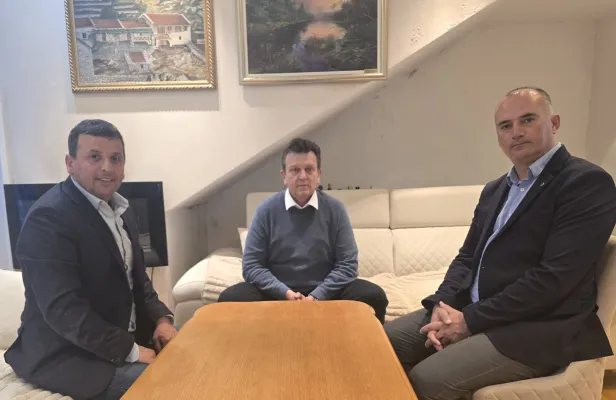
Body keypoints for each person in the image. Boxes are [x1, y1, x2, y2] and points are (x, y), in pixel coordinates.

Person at [384, 87, 616, 400]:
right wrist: (443, 304)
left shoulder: (585, 183)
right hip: (475, 309)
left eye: (527, 120)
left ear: (554, 123)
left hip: (537, 327)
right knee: (380, 344)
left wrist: (469, 321)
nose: (516, 132)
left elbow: (554, 279)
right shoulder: (495, 190)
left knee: (427, 378)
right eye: (505, 126)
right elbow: (467, 257)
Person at [4, 119, 177, 400]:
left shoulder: (122, 209)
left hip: (118, 337)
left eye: (115, 158)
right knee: (173, 384)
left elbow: (138, 281)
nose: (107, 167)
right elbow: (63, 311)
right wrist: (131, 351)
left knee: (195, 353)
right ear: (70, 163)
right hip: (67, 354)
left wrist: (162, 319)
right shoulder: (48, 219)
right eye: (94, 157)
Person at [218, 138, 389, 323]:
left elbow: (348, 265)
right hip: (276, 292)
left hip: (327, 293)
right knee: (230, 299)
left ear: (319, 174)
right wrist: (285, 293)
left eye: (309, 169)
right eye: (294, 170)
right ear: (284, 175)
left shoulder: (335, 210)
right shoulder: (265, 211)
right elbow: (252, 266)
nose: (303, 176)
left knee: (374, 296)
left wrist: (316, 296)